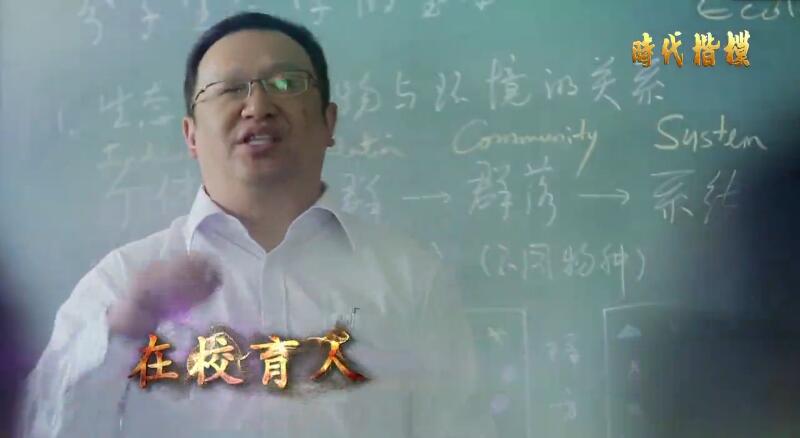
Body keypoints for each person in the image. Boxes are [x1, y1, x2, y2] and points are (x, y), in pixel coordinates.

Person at [16, 11, 495, 438]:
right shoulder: (123, 282)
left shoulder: (408, 279)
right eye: (229, 89)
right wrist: (126, 325)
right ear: (191, 135)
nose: (258, 106)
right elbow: (45, 427)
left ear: (328, 123)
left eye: (287, 83)